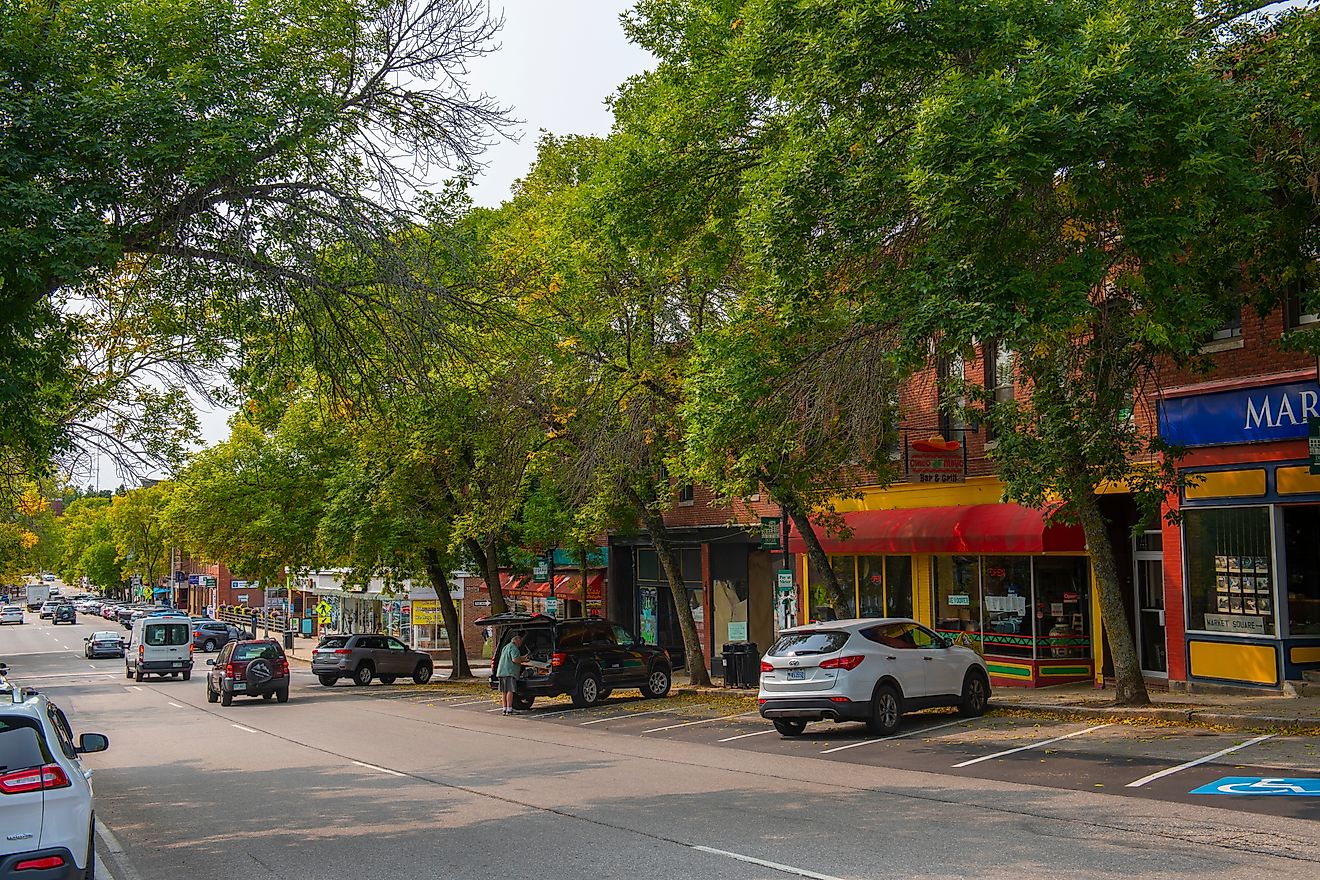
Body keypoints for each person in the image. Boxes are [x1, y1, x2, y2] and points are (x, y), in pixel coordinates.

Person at [496, 631, 530, 715]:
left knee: (504, 691)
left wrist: (521, 657)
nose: (521, 644)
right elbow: (515, 660)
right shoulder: (514, 648)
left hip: (501, 672)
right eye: (520, 642)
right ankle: (510, 709)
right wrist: (524, 660)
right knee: (510, 691)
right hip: (509, 672)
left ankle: (504, 709)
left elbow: (510, 657)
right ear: (517, 641)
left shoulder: (506, 647)